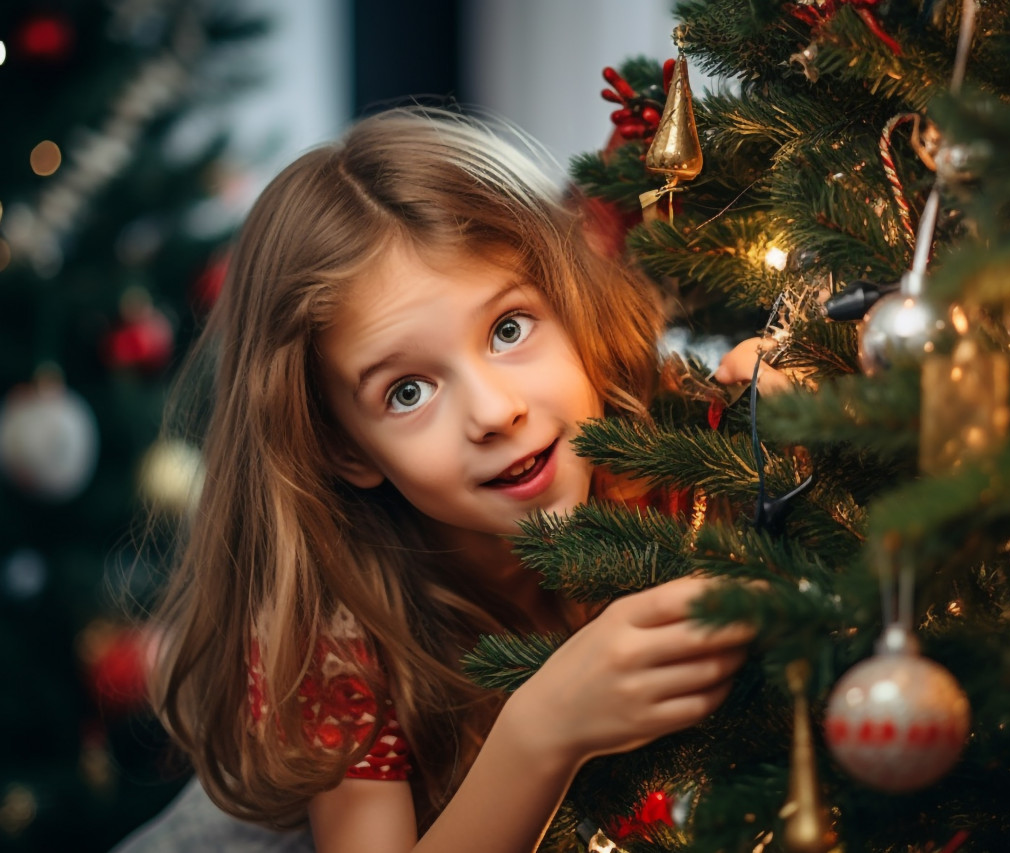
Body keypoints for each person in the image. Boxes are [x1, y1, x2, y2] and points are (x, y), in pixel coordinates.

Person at [139, 107, 756, 853]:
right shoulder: (330, 634)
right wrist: (544, 728)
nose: (496, 411)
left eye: (508, 329)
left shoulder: (655, 449)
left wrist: (786, 410)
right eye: (407, 391)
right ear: (344, 449)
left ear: (569, 303)